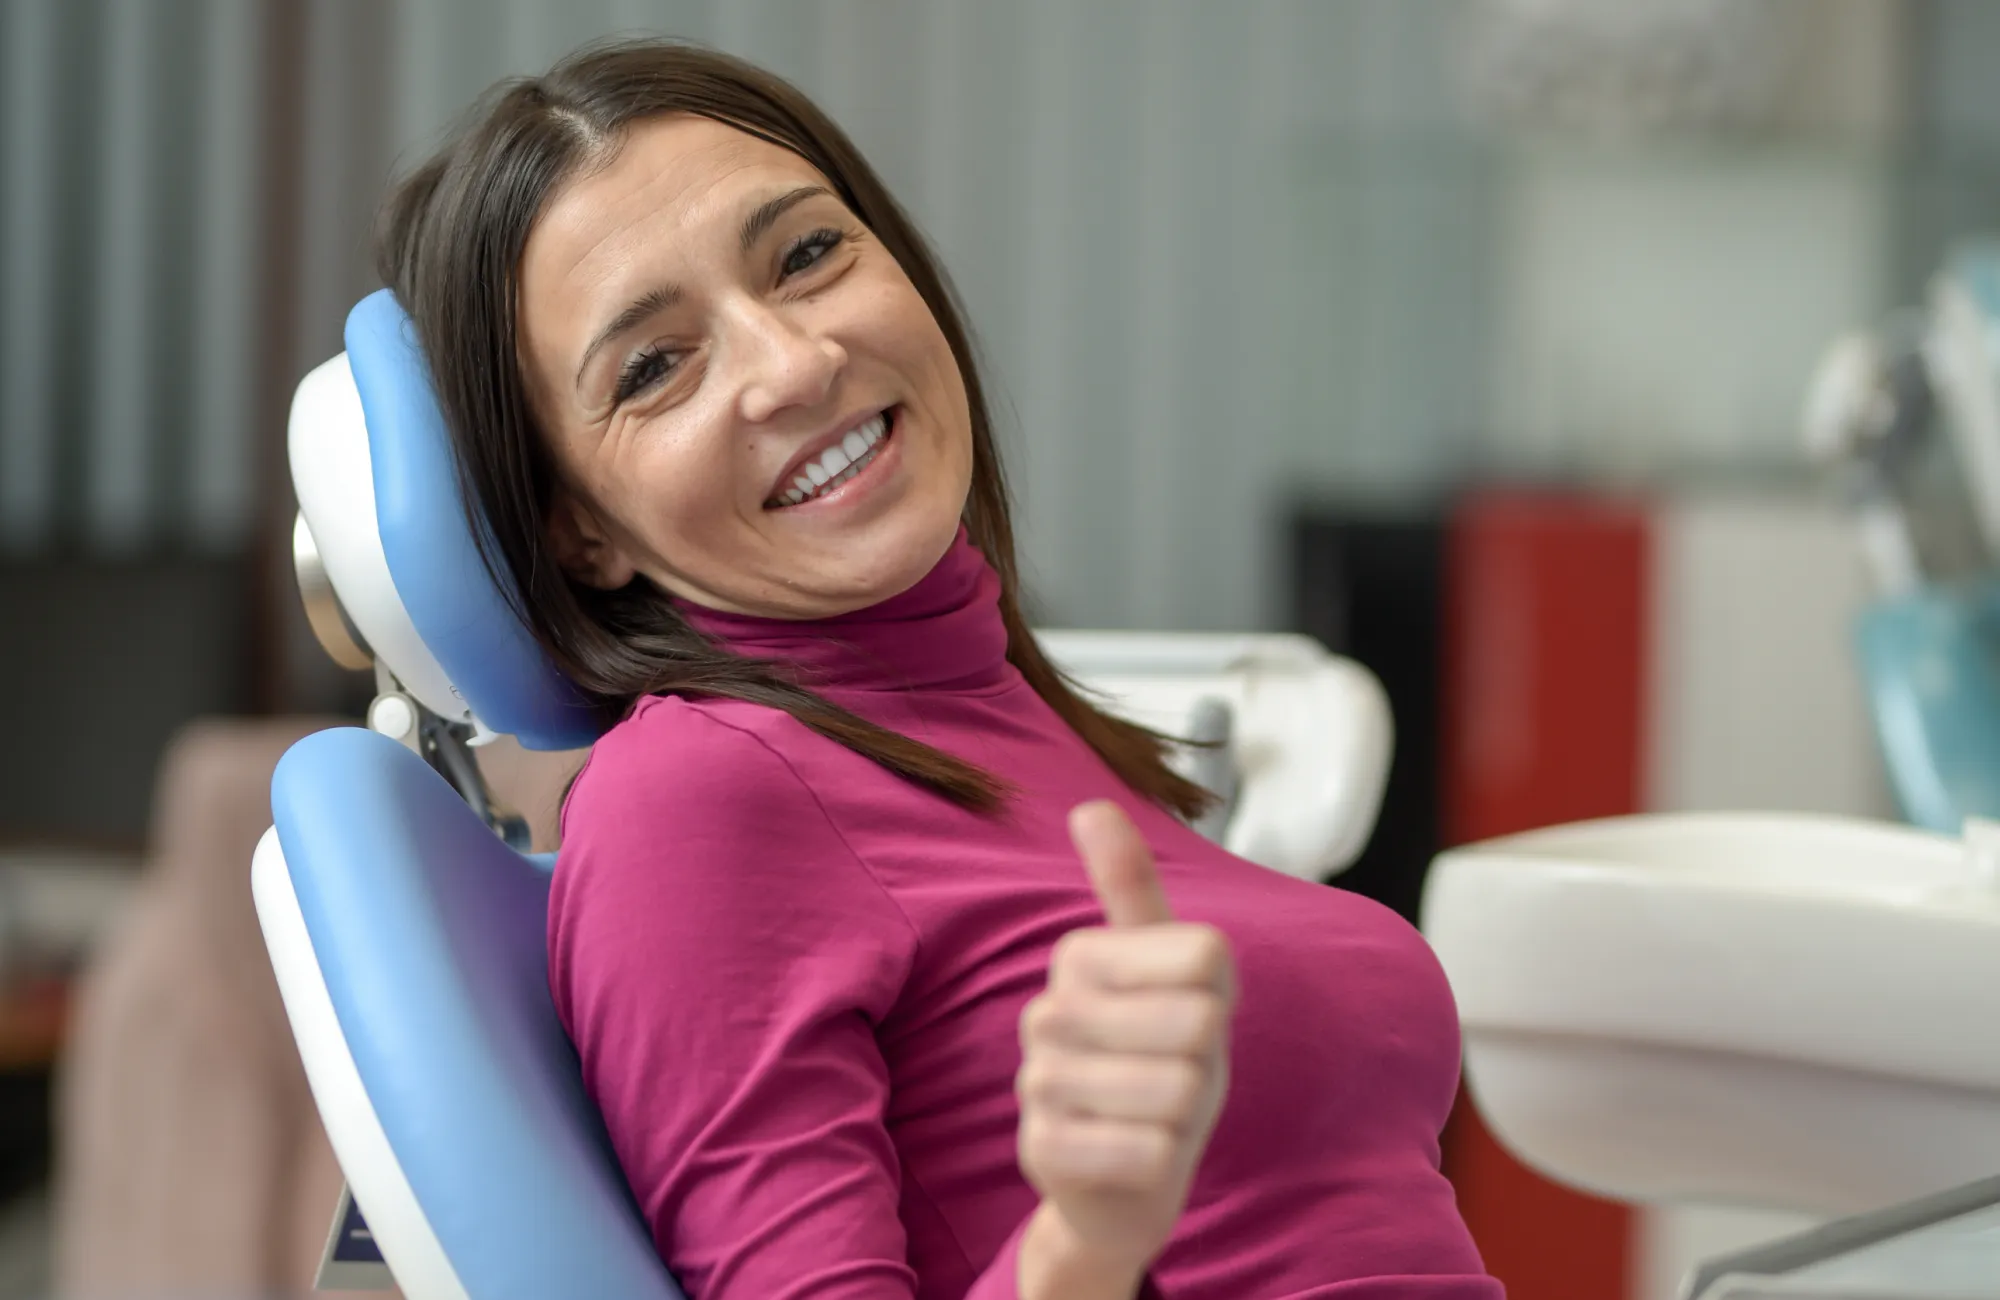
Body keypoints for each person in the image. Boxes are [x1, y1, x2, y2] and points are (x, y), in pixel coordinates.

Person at [375, 37, 1500, 1300]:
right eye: (653, 367)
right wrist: (1080, 1237)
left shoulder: (996, 715)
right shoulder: (696, 797)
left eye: (806, 254)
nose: (793, 365)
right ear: (573, 527)